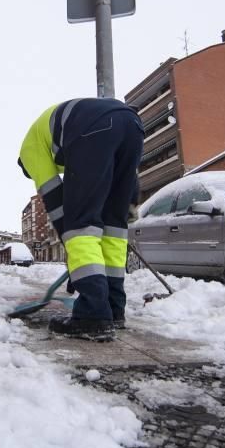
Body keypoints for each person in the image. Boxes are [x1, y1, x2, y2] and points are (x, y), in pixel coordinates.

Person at [17, 97, 144, 341]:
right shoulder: (56, 140)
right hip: (132, 125)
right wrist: (129, 202)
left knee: (80, 227)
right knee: (113, 229)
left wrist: (78, 260)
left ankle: (93, 316)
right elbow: (122, 170)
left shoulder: (30, 151)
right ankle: (114, 309)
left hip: (93, 128)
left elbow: (57, 203)